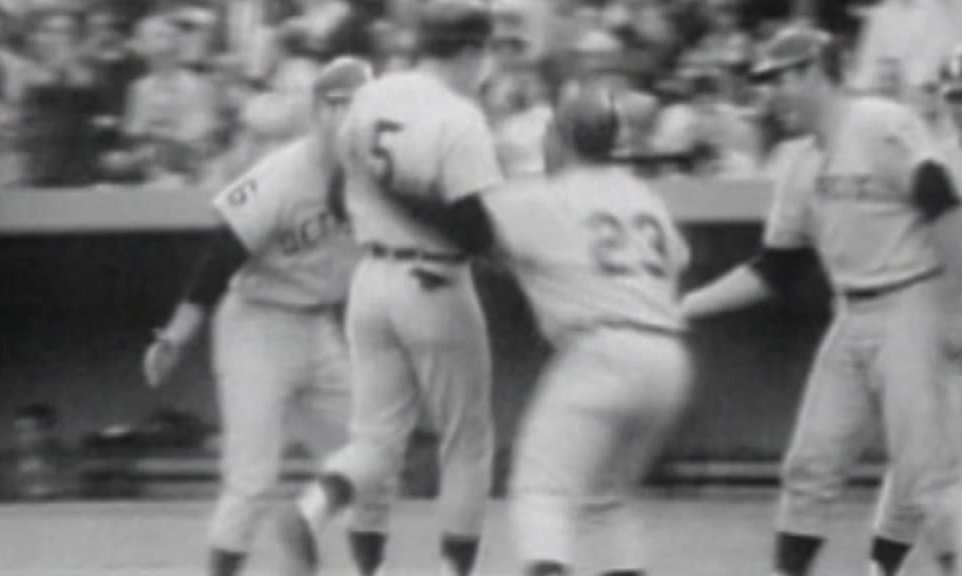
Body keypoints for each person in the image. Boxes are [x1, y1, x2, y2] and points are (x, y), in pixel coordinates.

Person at [681, 25, 962, 576]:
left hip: (912, 303)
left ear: (813, 70)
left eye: (779, 79)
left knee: (929, 475)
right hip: (851, 312)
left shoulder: (878, 121)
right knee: (810, 465)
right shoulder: (802, 164)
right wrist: (685, 307)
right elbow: (776, 268)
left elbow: (939, 199)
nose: (771, 94)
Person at [400, 79, 692, 576]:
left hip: (603, 352)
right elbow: (675, 260)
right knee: (605, 500)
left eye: (551, 131)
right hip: (667, 360)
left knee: (539, 492)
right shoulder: (642, 196)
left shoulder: (546, 195)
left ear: (565, 139)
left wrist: (399, 190)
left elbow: (470, 229)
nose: (545, 140)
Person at [275, 2, 501, 575]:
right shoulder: (460, 116)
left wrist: (384, 217)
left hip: (370, 281)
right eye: (485, 51)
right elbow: (475, 230)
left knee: (375, 440)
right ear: (471, 50)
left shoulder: (372, 94)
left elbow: (333, 195)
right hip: (435, 281)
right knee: (466, 442)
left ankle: (313, 508)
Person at [142, 57, 388, 576]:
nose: (350, 119)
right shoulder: (285, 172)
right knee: (251, 479)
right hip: (256, 324)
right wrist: (177, 336)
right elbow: (223, 252)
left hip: (316, 328)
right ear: (318, 110)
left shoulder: (379, 172)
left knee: (370, 459)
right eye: (340, 107)